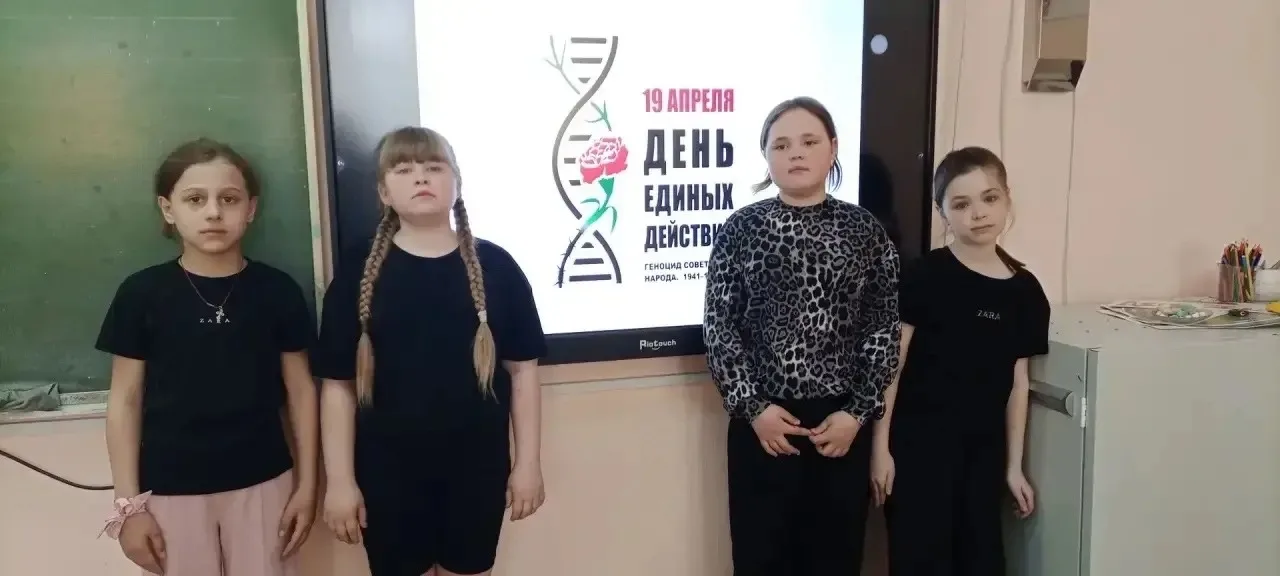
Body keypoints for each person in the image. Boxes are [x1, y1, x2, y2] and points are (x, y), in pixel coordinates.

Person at [314, 126, 547, 576]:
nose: (420, 177)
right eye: (403, 169)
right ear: (384, 192)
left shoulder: (498, 267)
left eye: (434, 167)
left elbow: (524, 373)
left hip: (477, 471)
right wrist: (340, 482)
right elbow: (337, 387)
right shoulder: (357, 273)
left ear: (456, 183)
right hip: (386, 474)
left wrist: (528, 465)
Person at [98, 138, 319, 576]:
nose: (214, 212)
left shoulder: (277, 291)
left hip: (264, 482)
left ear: (251, 209)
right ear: (168, 209)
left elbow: (301, 391)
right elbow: (125, 400)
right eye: (195, 199)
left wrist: (308, 486)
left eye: (229, 199)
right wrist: (128, 506)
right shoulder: (141, 294)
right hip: (168, 490)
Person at [703, 96, 902, 576]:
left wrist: (857, 413)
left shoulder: (865, 231)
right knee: (761, 560)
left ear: (832, 148)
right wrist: (754, 408)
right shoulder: (740, 229)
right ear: (766, 156)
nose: (795, 153)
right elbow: (719, 328)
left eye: (809, 142)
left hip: (841, 428)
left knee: (834, 560)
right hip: (763, 428)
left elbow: (883, 329)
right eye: (781, 145)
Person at [871, 146, 1050, 576]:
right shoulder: (923, 276)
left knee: (981, 561)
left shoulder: (1026, 292)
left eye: (990, 198)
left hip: (983, 457)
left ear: (1007, 199)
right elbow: (891, 368)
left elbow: (1018, 383)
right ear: (943, 212)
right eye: (961, 204)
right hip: (917, 453)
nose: (978, 213)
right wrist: (880, 450)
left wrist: (1013, 467)